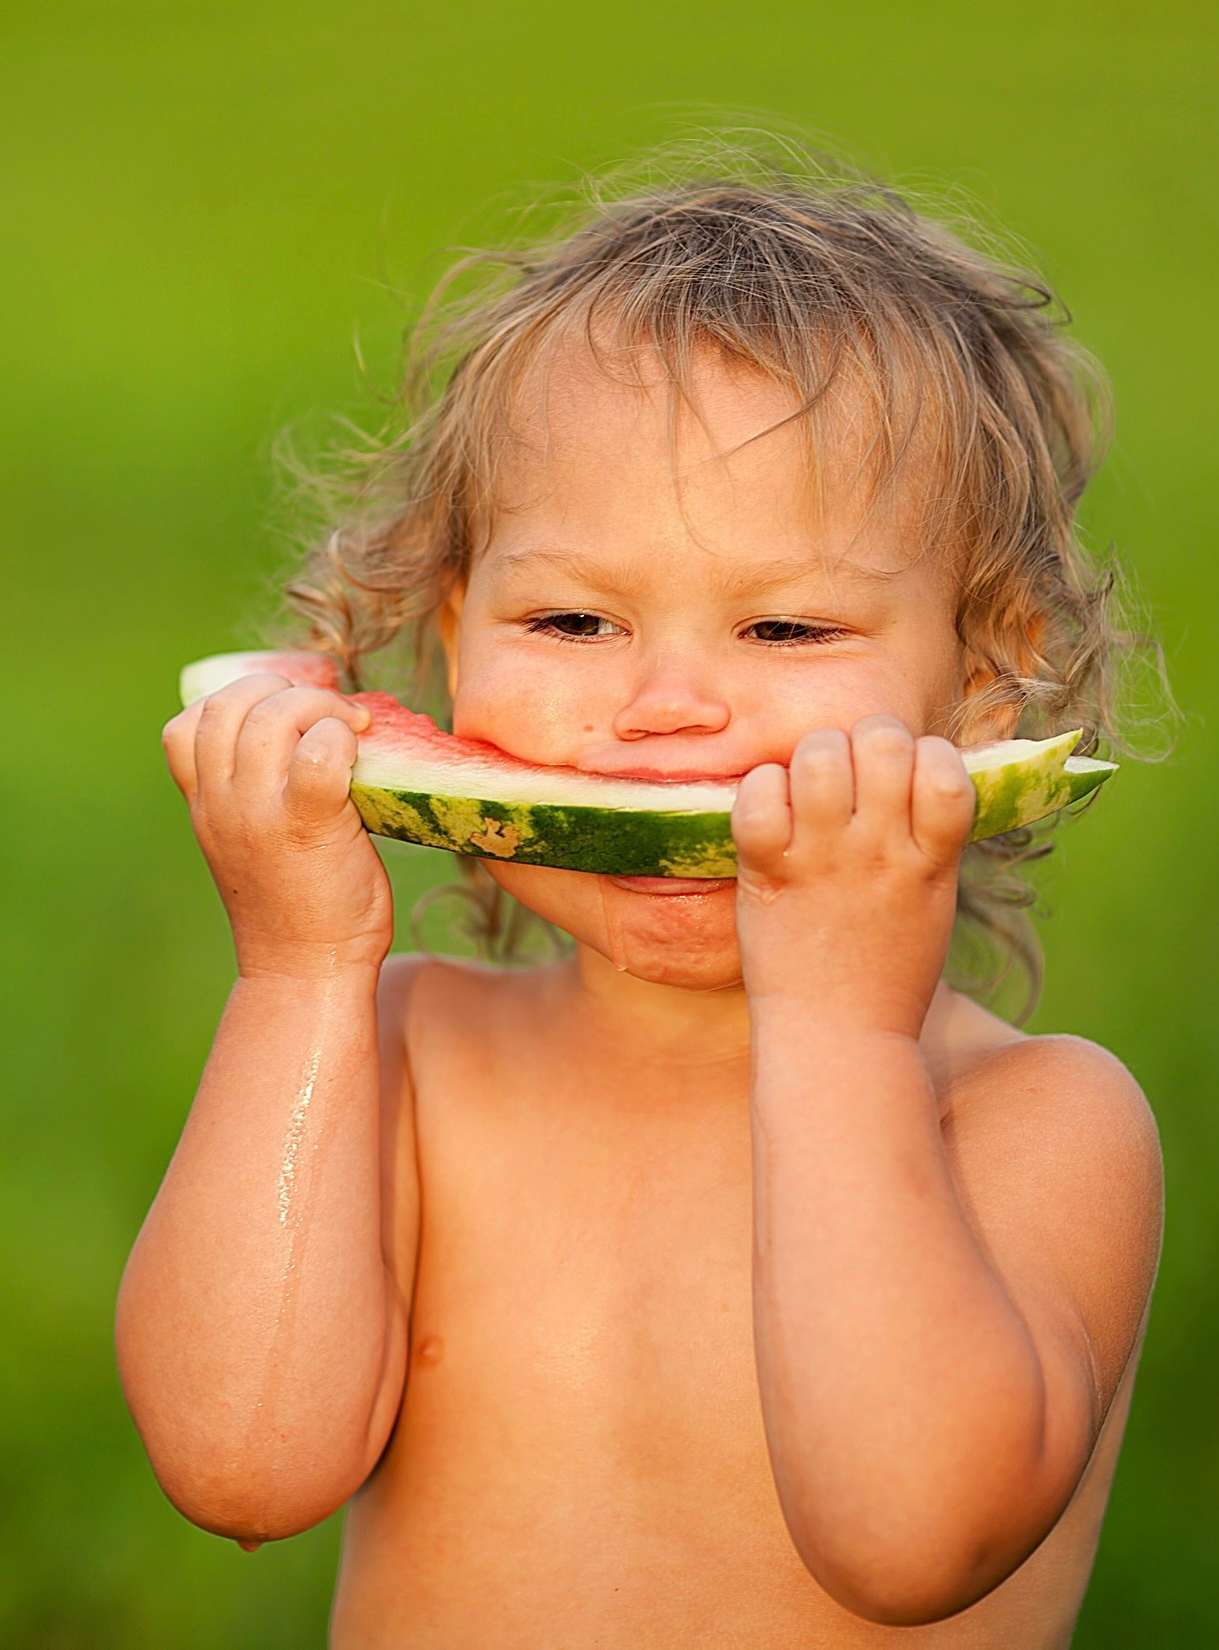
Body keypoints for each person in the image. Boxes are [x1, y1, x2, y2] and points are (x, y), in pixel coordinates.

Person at [117, 143, 1165, 1646]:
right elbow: (240, 1465)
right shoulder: (413, 1063)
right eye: (573, 618)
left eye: (789, 627)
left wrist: (843, 1032)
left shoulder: (1041, 1127)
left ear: (986, 683)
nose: (668, 707)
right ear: (450, 636)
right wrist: (296, 975)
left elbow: (911, 1536)